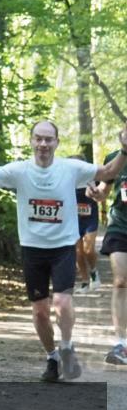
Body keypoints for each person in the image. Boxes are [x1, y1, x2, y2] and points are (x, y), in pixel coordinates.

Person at [0, 119, 127, 381]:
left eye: (49, 139)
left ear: (57, 143)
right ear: (31, 141)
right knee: (39, 311)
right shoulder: (19, 171)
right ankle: (52, 357)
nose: (43, 144)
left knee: (61, 301)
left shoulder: (70, 168)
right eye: (39, 138)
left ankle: (68, 347)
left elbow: (106, 172)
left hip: (62, 247)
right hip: (32, 249)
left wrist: (125, 150)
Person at [91, 140, 127, 365]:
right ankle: (122, 344)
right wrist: (96, 193)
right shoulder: (115, 158)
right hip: (121, 227)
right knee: (121, 281)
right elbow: (103, 193)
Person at [73, 172, 100, 292]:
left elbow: (102, 194)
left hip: (90, 219)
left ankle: (94, 272)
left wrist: (103, 211)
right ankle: (85, 282)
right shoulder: (67, 179)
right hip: (74, 220)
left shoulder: (93, 179)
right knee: (78, 253)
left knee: (88, 249)